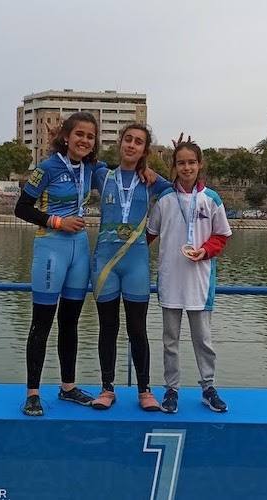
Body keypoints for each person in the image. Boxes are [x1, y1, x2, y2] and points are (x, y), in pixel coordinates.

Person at [13, 112, 100, 417]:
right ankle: (33, 393)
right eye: (79, 134)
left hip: (79, 250)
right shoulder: (47, 167)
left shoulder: (91, 168)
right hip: (51, 247)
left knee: (70, 323)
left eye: (90, 136)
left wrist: (150, 174)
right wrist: (57, 221)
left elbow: (124, 176)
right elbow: (21, 208)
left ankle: (67, 387)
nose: (84, 140)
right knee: (41, 323)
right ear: (66, 136)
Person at [146, 139, 232, 413]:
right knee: (170, 340)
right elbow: (150, 235)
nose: (186, 167)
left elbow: (221, 236)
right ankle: (171, 389)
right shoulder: (164, 200)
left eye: (191, 162)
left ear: (200, 165)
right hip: (170, 281)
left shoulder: (212, 199)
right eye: (181, 162)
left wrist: (205, 251)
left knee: (203, 340)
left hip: (200, 282)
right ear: (174, 166)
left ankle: (208, 387)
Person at [90, 124, 170, 412]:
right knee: (107, 328)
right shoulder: (102, 174)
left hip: (136, 264)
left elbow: (182, 190)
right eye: (128, 140)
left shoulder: (150, 180)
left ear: (144, 150)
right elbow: (75, 158)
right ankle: (107, 388)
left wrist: (159, 170)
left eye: (138, 142)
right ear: (120, 142)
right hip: (105, 265)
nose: (132, 145)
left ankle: (145, 390)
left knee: (138, 329)